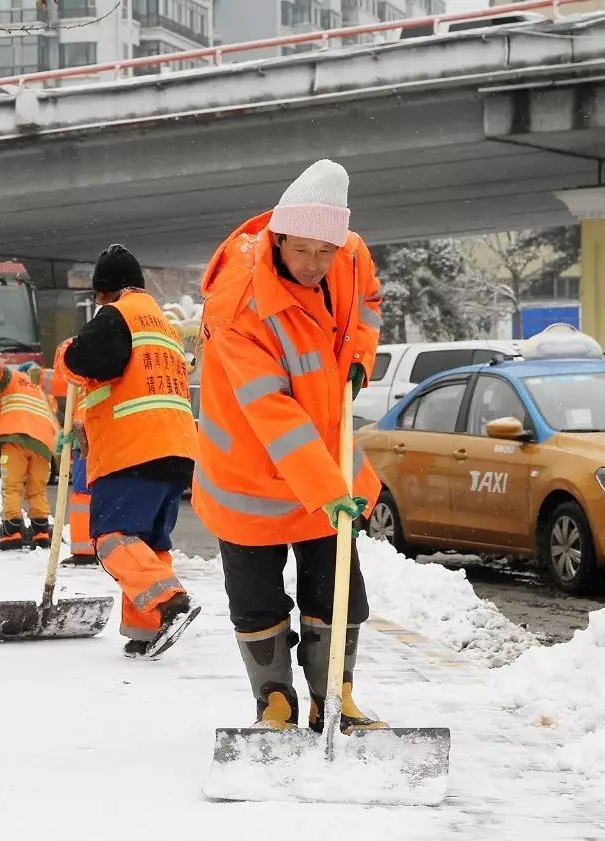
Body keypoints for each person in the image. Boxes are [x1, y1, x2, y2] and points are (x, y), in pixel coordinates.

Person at [194, 159, 385, 732]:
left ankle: (336, 697)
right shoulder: (237, 306)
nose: (314, 265)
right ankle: (274, 701)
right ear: (277, 237)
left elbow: (367, 304)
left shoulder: (349, 253)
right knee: (257, 596)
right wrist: (328, 489)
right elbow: (272, 410)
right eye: (301, 250)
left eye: (325, 251)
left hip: (326, 460)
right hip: (248, 475)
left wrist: (358, 358)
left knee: (339, 588)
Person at [54, 244, 200, 659]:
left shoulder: (117, 315)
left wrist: (66, 352)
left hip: (132, 450)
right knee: (150, 545)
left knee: (112, 539)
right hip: (176, 448)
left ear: (105, 292)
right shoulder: (164, 326)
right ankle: (148, 630)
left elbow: (92, 360)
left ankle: (169, 599)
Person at [0, 359, 58, 551]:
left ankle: (12, 533)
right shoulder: (46, 392)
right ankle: (41, 533)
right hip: (43, 446)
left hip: (15, 439)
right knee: (37, 490)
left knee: (12, 487)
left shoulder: (13, 378)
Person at [20, 362, 96, 566]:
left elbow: (62, 379)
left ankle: (86, 550)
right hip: (96, 433)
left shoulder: (86, 366)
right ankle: (109, 546)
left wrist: (40, 376)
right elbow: (64, 382)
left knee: (84, 494)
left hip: (89, 432)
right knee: (103, 491)